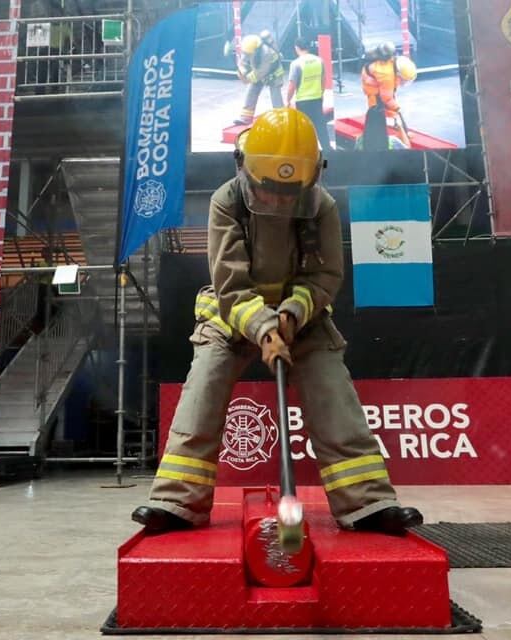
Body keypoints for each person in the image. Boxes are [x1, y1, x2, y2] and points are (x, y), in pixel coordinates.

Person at [132, 108, 424, 536]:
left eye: (291, 191)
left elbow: (324, 276)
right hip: (233, 316)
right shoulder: (225, 202)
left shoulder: (320, 206)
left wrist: (289, 316)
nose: (279, 200)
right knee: (203, 393)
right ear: (245, 170)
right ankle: (177, 503)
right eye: (269, 189)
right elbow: (230, 284)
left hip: (300, 318)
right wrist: (265, 329)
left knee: (333, 394)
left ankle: (368, 504)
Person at [360, 42, 418, 149]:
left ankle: (399, 127)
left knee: (392, 109)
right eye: (403, 80)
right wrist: (398, 108)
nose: (403, 82)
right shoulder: (386, 75)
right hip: (374, 93)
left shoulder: (395, 63)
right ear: (399, 74)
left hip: (378, 84)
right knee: (379, 114)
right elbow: (386, 98)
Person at [286, 37, 331, 150]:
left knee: (304, 128)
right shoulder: (319, 60)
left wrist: (288, 100)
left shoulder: (296, 64)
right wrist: (321, 93)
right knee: (321, 126)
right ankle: (328, 150)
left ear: (297, 48)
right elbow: (323, 79)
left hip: (303, 101)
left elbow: (292, 85)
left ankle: (307, 152)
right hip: (317, 98)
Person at [234, 30, 285, 126]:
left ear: (256, 49)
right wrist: (243, 71)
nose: (247, 55)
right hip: (259, 72)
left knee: (275, 97)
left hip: (274, 75)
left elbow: (259, 73)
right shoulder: (249, 49)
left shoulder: (266, 53)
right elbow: (243, 62)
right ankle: (246, 117)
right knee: (251, 92)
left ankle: (281, 119)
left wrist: (246, 79)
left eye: (249, 54)